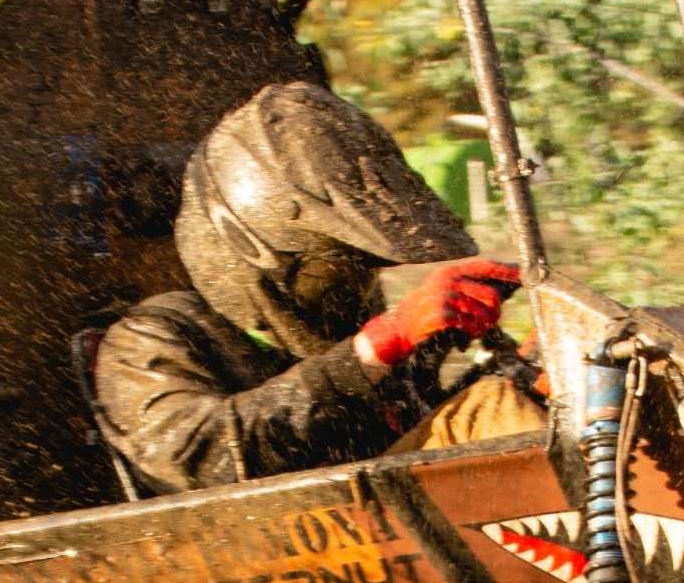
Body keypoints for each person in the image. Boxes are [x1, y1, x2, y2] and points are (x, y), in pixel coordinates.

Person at [93, 81, 544, 494]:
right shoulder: (149, 338)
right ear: (258, 251)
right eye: (334, 264)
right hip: (285, 556)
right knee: (488, 407)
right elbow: (200, 461)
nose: (351, 281)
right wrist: (382, 343)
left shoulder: (337, 329)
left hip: (394, 536)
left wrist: (525, 374)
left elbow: (422, 439)